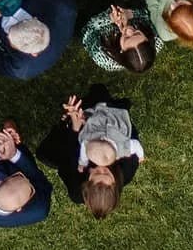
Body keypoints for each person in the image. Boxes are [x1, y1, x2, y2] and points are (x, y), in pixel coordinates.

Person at [39, 87, 141, 218]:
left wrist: (74, 126)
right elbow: (131, 133)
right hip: (110, 121)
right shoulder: (127, 167)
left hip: (78, 143)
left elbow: (67, 161)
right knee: (99, 93)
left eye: (97, 173)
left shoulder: (76, 191)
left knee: (44, 153)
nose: (102, 167)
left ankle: (66, 118)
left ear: (86, 182)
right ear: (115, 182)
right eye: (107, 174)